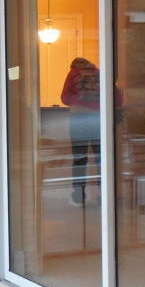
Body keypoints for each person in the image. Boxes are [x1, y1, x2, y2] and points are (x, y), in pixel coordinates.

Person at [61, 57, 100, 205]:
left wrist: (77, 100)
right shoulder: (99, 73)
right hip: (98, 118)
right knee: (100, 158)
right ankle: (104, 194)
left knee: (79, 158)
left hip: (78, 118)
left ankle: (79, 196)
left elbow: (65, 98)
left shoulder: (73, 74)